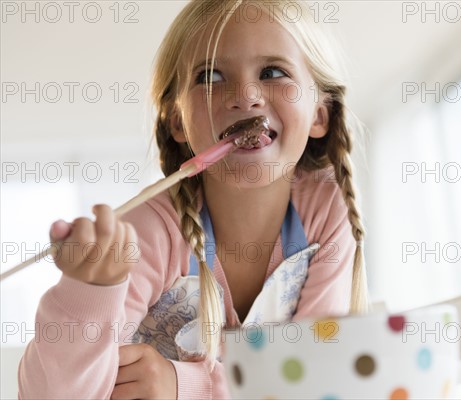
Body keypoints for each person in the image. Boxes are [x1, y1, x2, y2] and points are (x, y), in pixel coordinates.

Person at [18, 0, 368, 398]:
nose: (245, 96)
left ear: (320, 114)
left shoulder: (324, 210)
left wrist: (188, 385)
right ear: (178, 121)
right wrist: (87, 294)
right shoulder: (149, 233)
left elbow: (316, 377)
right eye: (210, 76)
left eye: (272, 72)